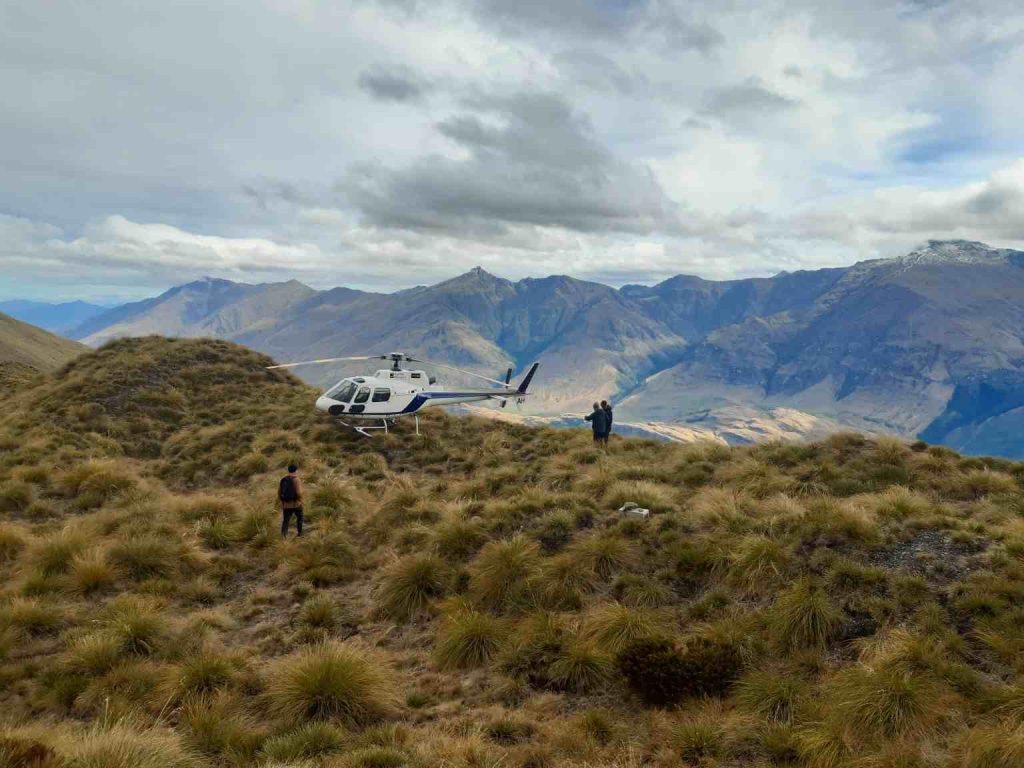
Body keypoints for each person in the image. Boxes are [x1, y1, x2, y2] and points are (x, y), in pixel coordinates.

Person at [279, 463, 304, 538]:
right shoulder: (297, 480)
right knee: (300, 518)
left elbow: (280, 492)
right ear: (296, 471)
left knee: (286, 521)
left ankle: (283, 537)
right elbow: (299, 493)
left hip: (286, 505)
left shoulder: (284, 479)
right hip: (296, 504)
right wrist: (301, 501)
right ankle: (300, 534)